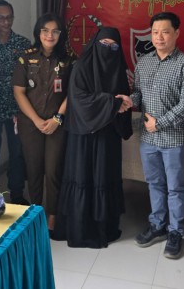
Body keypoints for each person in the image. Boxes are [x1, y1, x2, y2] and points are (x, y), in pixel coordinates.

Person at [118, 12, 184, 260]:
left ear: (176, 33)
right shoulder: (144, 63)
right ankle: (157, 225)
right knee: (154, 183)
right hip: (148, 139)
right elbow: (139, 93)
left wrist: (159, 123)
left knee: (175, 187)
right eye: (155, 32)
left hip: (173, 139)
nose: (159, 37)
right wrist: (130, 101)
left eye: (165, 31)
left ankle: (176, 231)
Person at [54, 27, 133, 248]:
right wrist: (113, 103)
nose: (108, 49)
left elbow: (124, 98)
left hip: (108, 136)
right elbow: (78, 99)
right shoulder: (81, 67)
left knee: (104, 177)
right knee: (82, 176)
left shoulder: (118, 69)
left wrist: (122, 103)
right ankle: (81, 228)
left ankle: (105, 227)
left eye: (114, 46)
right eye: (104, 44)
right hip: (83, 136)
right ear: (94, 44)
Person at [12, 13, 73, 231]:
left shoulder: (68, 60)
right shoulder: (25, 58)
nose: (50, 35)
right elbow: (19, 92)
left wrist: (57, 118)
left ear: (61, 34)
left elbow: (72, 93)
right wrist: (37, 120)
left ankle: (53, 214)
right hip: (31, 124)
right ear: (38, 33)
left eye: (55, 31)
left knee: (54, 169)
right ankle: (36, 213)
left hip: (57, 124)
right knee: (34, 169)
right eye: (45, 30)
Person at [0, 0, 31, 204]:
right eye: (1, 18)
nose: (6, 22)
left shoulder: (23, 44)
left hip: (17, 107)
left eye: (9, 17)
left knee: (17, 153)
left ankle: (17, 193)